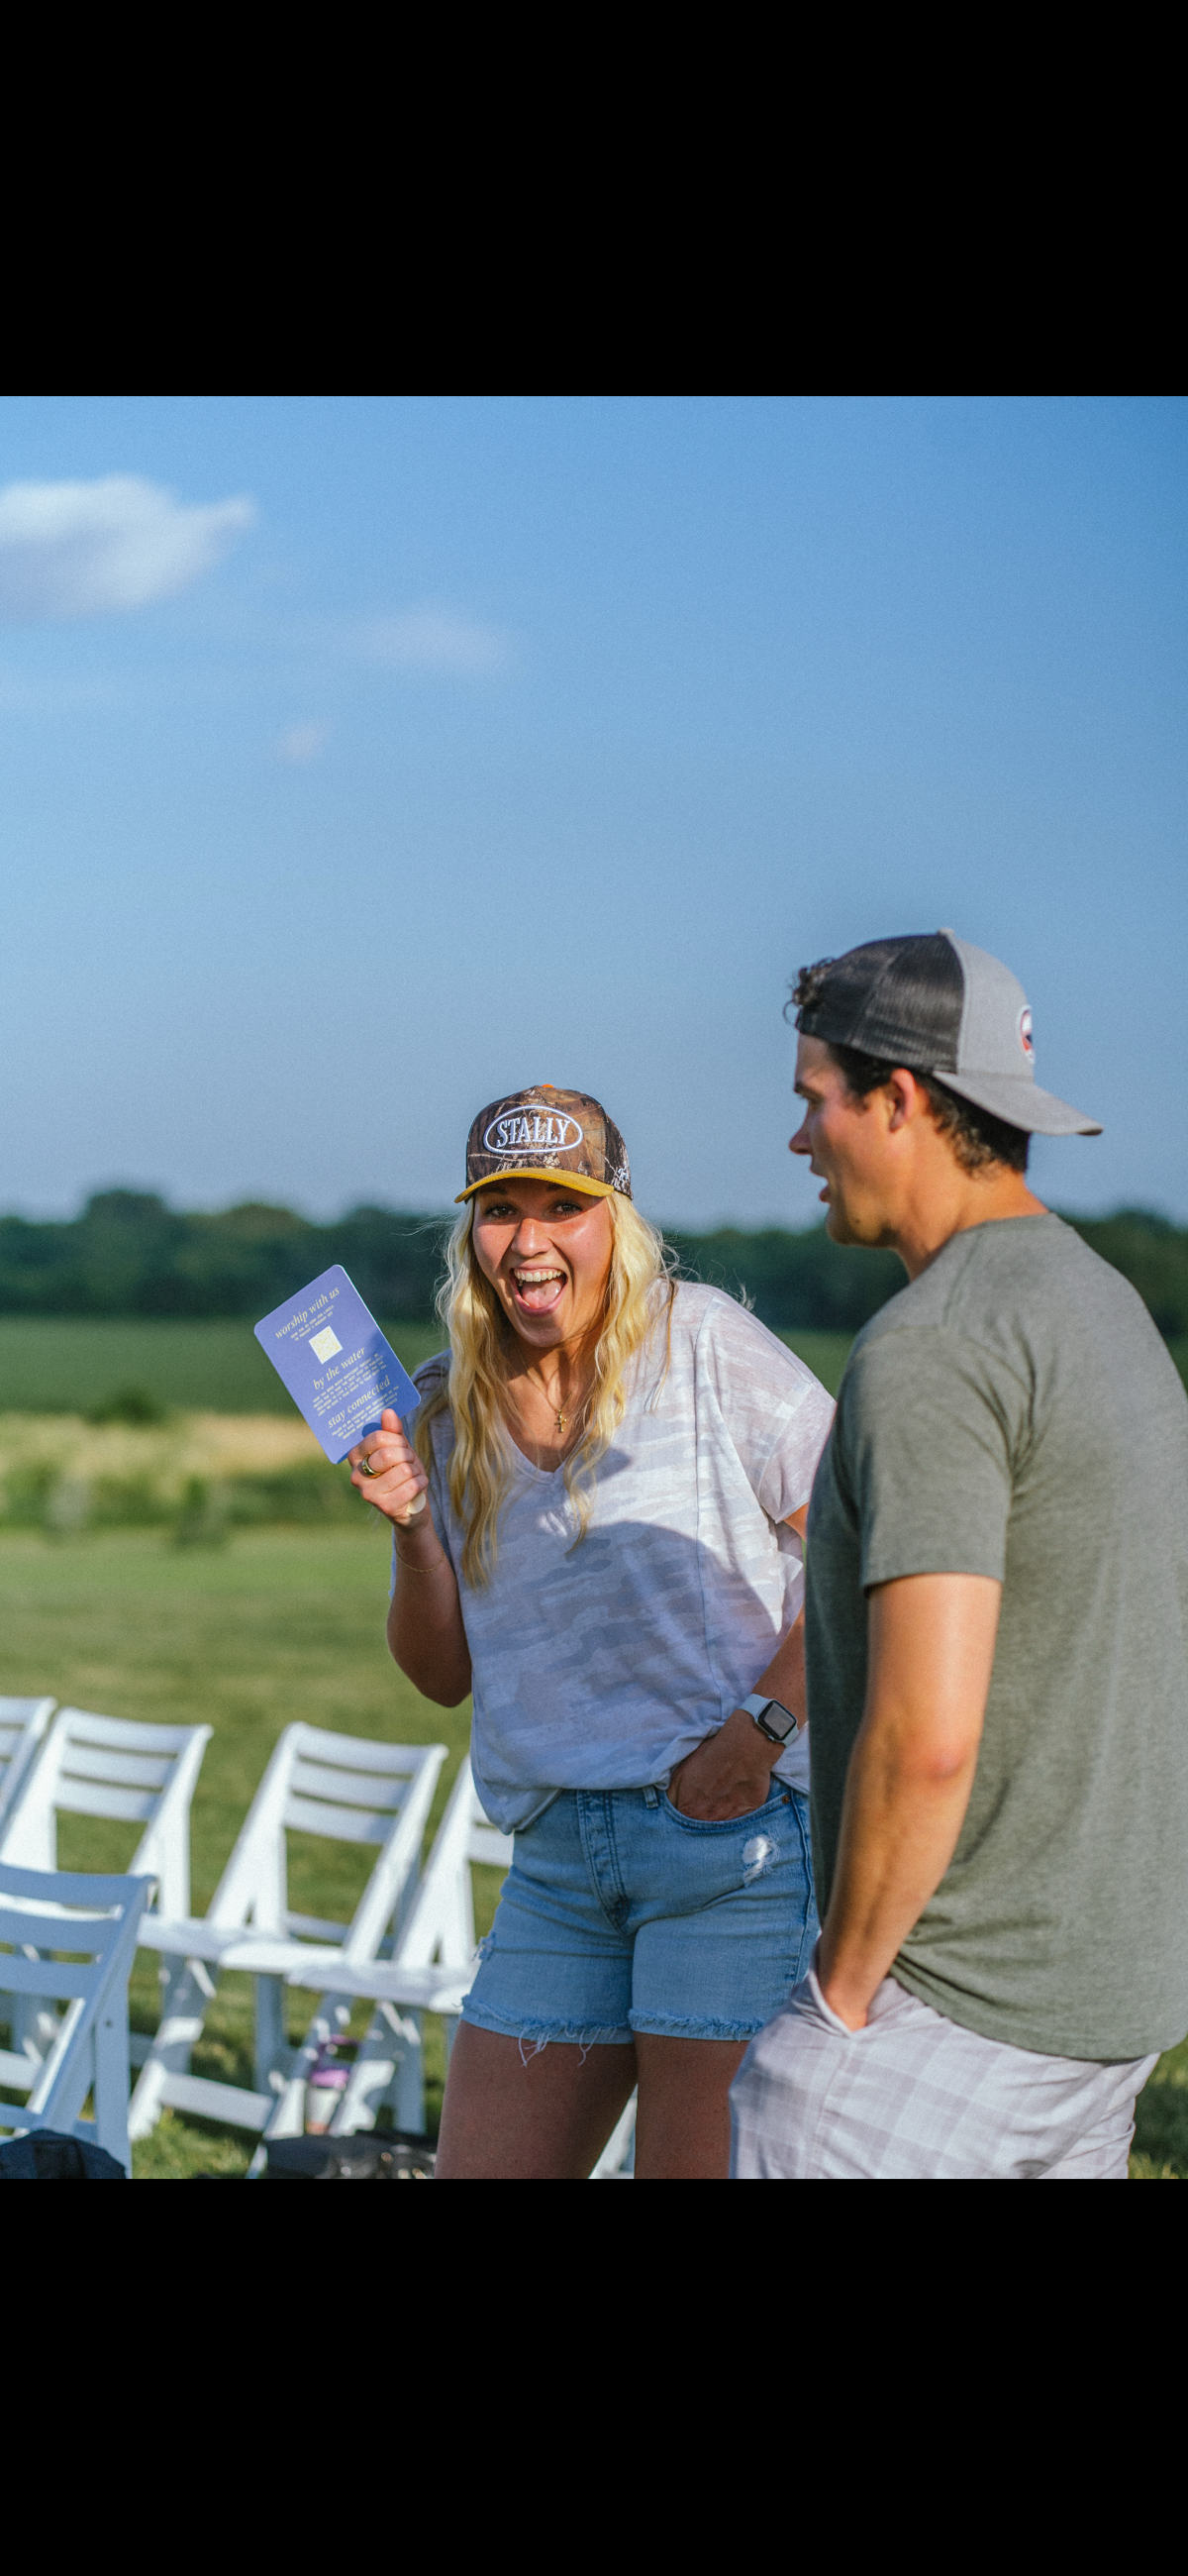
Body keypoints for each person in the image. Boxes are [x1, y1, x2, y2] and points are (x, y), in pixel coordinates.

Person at [730, 929, 1188, 2180]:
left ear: (899, 1099)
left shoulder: (935, 1344)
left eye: (814, 1100)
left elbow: (925, 1735)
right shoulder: (1105, 1309)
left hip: (945, 2010)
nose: (798, 1142)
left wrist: (840, 2001)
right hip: (1102, 2011)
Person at [348, 1084, 835, 2178]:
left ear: (616, 1216)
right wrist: (416, 1529)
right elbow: (439, 1679)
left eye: (559, 1207)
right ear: (469, 1231)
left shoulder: (704, 1343)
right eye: (499, 1210)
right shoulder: (441, 1405)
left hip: (732, 1845)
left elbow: (866, 1553)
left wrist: (757, 1733)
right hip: (558, 1861)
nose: (528, 1242)